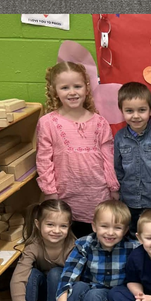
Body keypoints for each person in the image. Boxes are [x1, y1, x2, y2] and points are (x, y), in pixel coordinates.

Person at [35, 61, 120, 238]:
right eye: (65, 87)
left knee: (98, 240)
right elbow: (43, 160)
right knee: (71, 244)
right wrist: (50, 192)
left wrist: (113, 187)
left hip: (97, 194)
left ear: (86, 88)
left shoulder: (99, 122)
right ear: (54, 91)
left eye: (77, 86)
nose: (72, 92)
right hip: (65, 195)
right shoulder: (47, 123)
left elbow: (108, 157)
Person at [8, 199, 76, 301]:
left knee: (56, 272)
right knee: (31, 274)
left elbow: (73, 281)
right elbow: (18, 278)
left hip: (63, 294)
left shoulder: (73, 247)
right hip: (41, 290)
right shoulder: (33, 246)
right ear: (38, 224)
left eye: (63, 226)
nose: (56, 230)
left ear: (69, 226)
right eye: (50, 224)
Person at [113, 82, 151, 236]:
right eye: (129, 111)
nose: (136, 116)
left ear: (150, 110)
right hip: (130, 201)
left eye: (141, 110)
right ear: (121, 111)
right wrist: (120, 196)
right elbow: (118, 169)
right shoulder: (119, 138)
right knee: (133, 236)